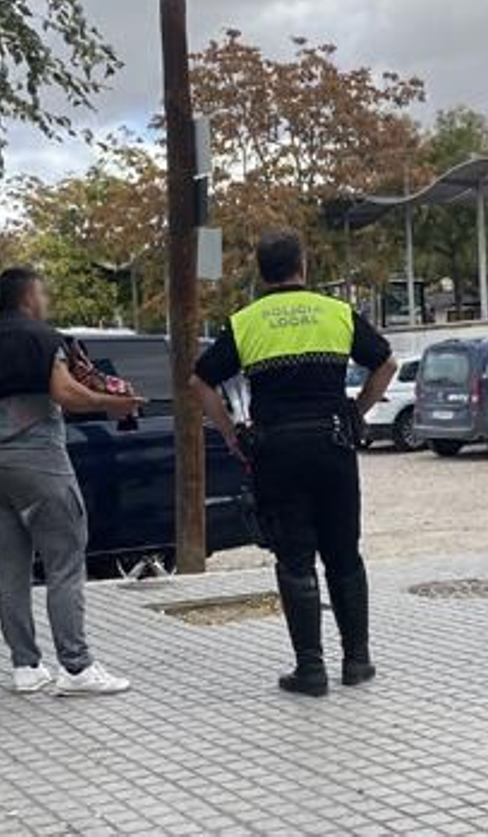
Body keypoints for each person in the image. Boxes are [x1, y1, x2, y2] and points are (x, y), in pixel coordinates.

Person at [189, 231, 397, 697]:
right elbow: (386, 364)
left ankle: (311, 669)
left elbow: (199, 381)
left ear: (261, 272)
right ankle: (357, 660)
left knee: (295, 558)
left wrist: (229, 430)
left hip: (276, 451)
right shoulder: (336, 312)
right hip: (333, 446)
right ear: (303, 264)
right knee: (344, 554)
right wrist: (357, 411)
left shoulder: (245, 322)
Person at [0, 268, 143, 696]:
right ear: (28, 297)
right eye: (42, 294)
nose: (45, 301)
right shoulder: (44, 339)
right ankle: (76, 667)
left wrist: (4, 422)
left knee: (11, 569)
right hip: (42, 464)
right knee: (64, 564)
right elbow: (66, 393)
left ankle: (25, 667)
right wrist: (112, 404)